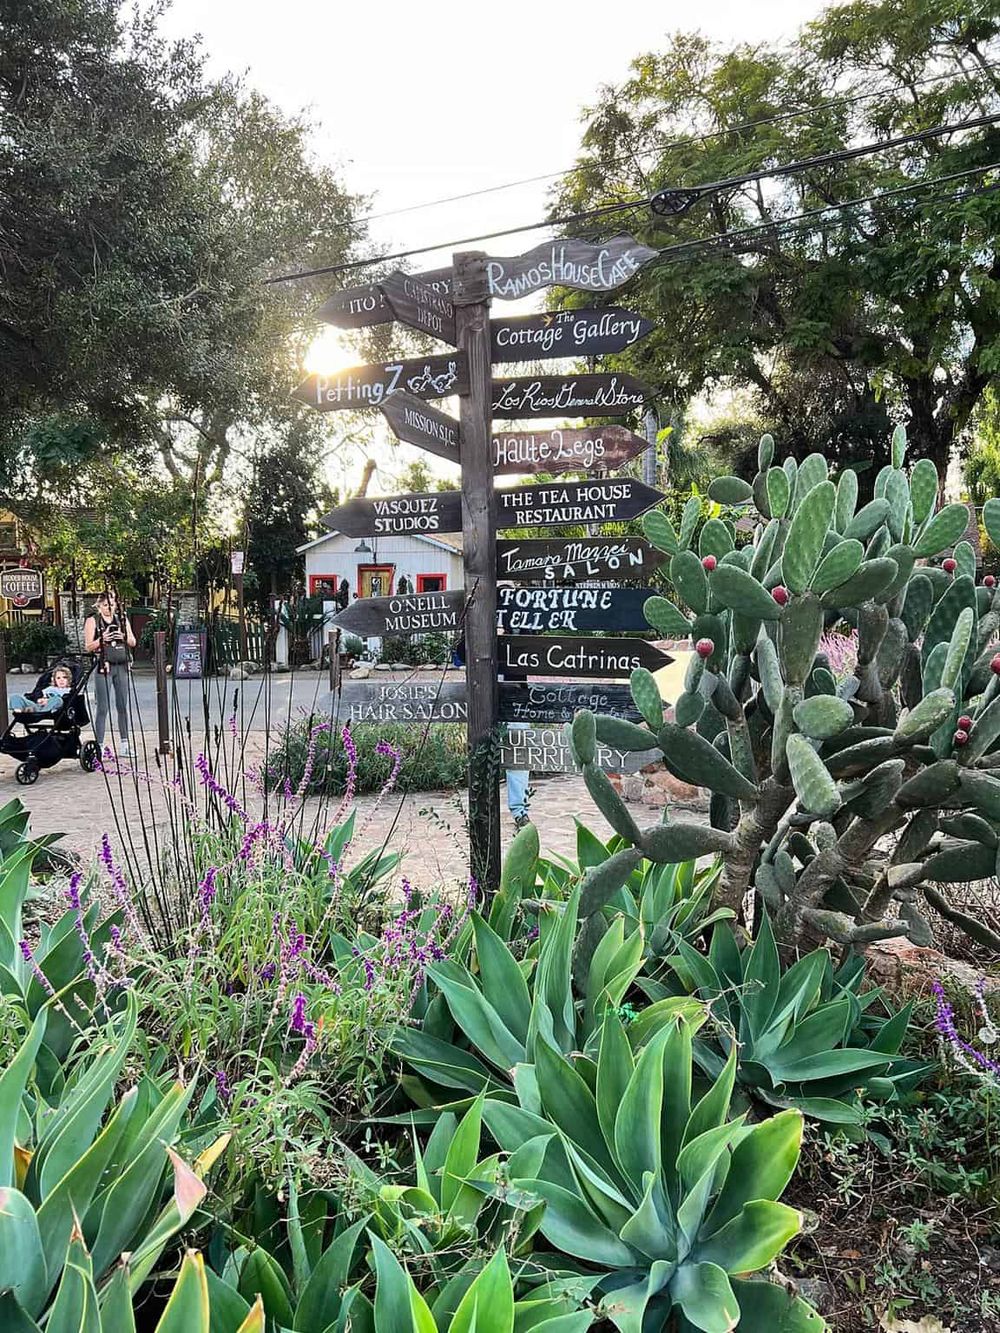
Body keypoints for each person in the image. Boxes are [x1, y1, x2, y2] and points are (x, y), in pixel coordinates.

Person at [451, 630, 531, 829]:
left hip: (515, 697)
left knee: (518, 752)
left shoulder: (520, 620)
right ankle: (482, 811)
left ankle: (519, 811)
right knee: (482, 753)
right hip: (482, 700)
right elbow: (460, 654)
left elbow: (531, 647)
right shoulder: (476, 610)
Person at [83, 591, 136, 755]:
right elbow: (88, 646)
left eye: (112, 605)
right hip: (103, 666)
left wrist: (123, 635)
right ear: (99, 606)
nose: (109, 608)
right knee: (102, 707)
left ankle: (125, 744)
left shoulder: (121, 619)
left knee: (122, 705)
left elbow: (133, 642)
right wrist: (102, 638)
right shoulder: (93, 620)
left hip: (121, 664)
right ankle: (98, 745)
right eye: (105, 605)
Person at [8, 663, 75, 714]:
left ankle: (37, 712)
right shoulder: (49, 688)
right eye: (58, 678)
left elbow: (66, 700)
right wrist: (39, 700)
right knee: (15, 697)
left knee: (58, 700)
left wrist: (48, 701)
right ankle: (19, 711)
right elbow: (37, 696)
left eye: (64, 677)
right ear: (54, 680)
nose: (61, 680)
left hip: (52, 707)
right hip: (38, 706)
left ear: (69, 679)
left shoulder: (68, 690)